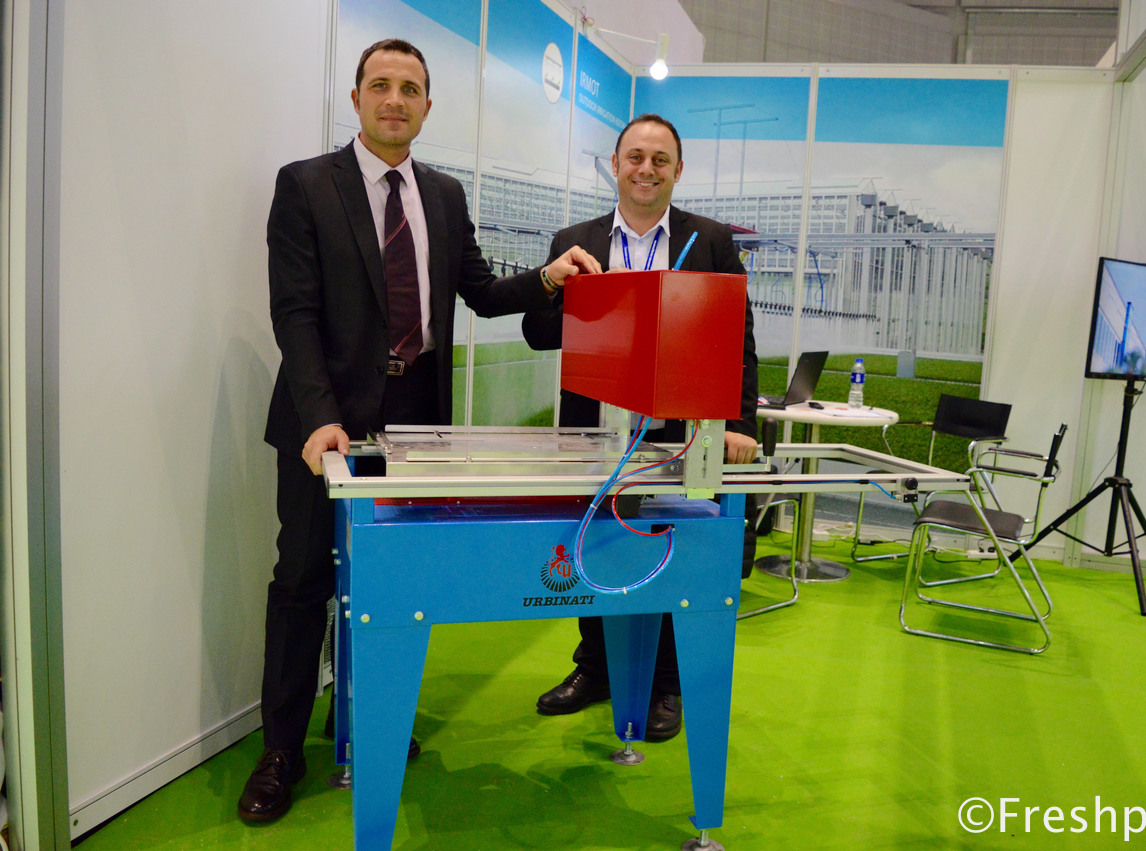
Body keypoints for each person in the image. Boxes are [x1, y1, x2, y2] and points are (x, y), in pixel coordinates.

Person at [240, 38, 601, 824]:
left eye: (409, 88)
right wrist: (320, 416)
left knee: (390, 583)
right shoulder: (305, 185)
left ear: (428, 106)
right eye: (380, 85)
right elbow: (294, 312)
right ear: (357, 99)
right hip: (323, 424)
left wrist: (548, 277)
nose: (394, 99)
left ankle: (368, 718)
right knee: (303, 580)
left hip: (415, 425)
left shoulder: (442, 193)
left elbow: (480, 291)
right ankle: (280, 751)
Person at [521, 114, 758, 742]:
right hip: (593, 427)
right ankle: (595, 668)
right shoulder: (575, 241)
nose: (646, 169)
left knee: (670, 549)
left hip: (679, 429)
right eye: (634, 157)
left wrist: (738, 421)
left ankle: (665, 682)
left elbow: (738, 338)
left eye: (659, 159)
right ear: (616, 165)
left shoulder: (710, 240)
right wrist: (561, 290)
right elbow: (538, 335)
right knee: (594, 543)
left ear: (678, 170)